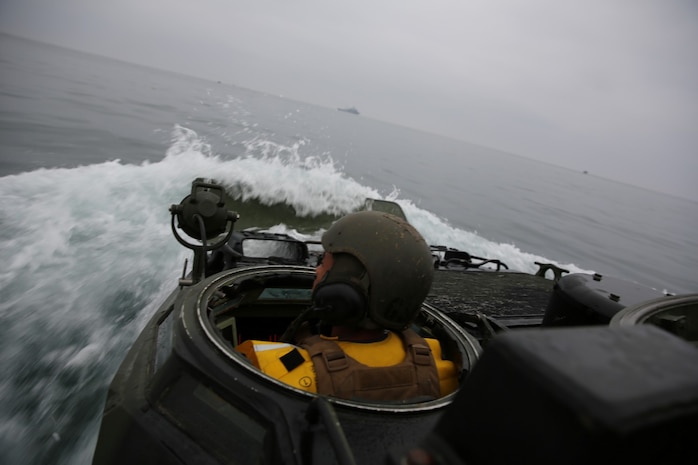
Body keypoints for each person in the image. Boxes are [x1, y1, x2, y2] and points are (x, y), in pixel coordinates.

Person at [236, 211, 458, 402]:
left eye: (323, 263)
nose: (316, 271)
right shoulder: (438, 367)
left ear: (344, 294)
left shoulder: (271, 369)